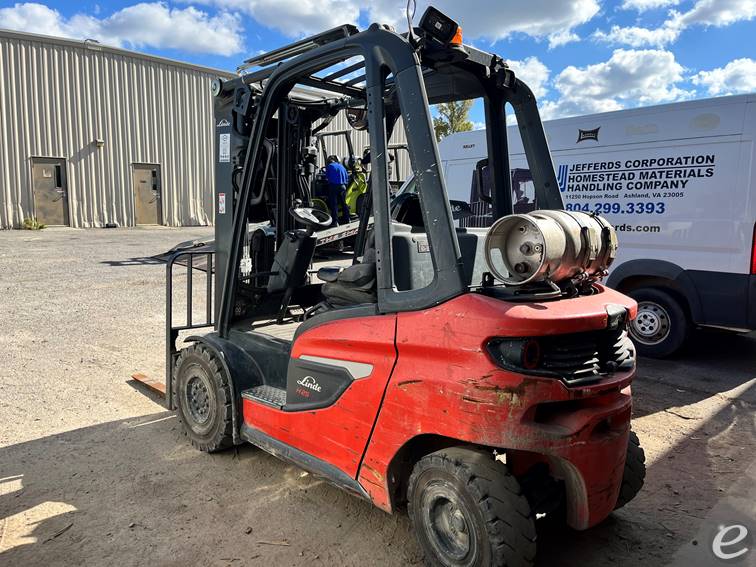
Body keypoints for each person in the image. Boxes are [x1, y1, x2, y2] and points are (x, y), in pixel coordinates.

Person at [325, 155, 350, 226]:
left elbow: (327, 177)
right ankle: (347, 219)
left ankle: (335, 222)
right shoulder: (342, 166)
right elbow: (347, 177)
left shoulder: (329, 166)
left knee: (334, 204)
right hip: (343, 186)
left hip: (333, 186)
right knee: (344, 203)